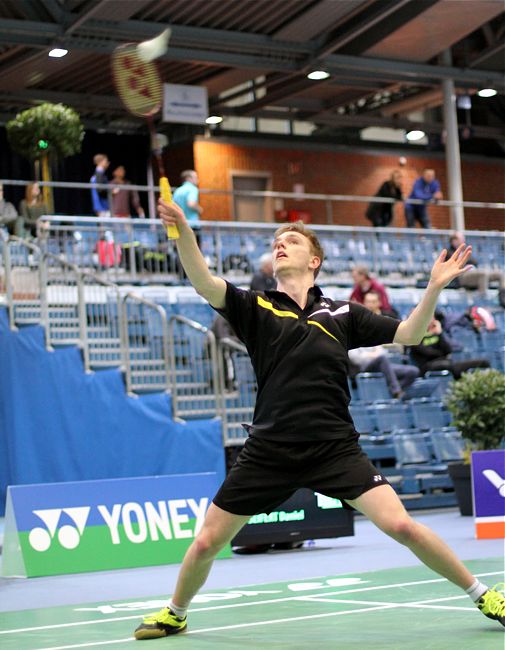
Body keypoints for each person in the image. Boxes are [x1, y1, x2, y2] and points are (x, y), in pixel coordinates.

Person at [132, 202, 505, 640]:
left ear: (314, 260)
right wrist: (183, 234)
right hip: (270, 450)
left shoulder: (343, 314)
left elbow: (409, 335)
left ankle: (483, 594)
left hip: (334, 448)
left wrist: (434, 288)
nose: (280, 245)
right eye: (277, 243)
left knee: (402, 525)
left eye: (291, 240)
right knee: (207, 542)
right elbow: (202, 280)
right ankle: (176, 612)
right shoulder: (255, 309)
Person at [409, 317, 490, 379]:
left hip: (446, 362)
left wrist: (440, 334)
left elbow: (448, 350)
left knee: (483, 362)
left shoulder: (437, 333)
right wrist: (441, 353)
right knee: (450, 366)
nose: (432, 320)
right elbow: (427, 353)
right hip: (427, 366)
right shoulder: (414, 337)